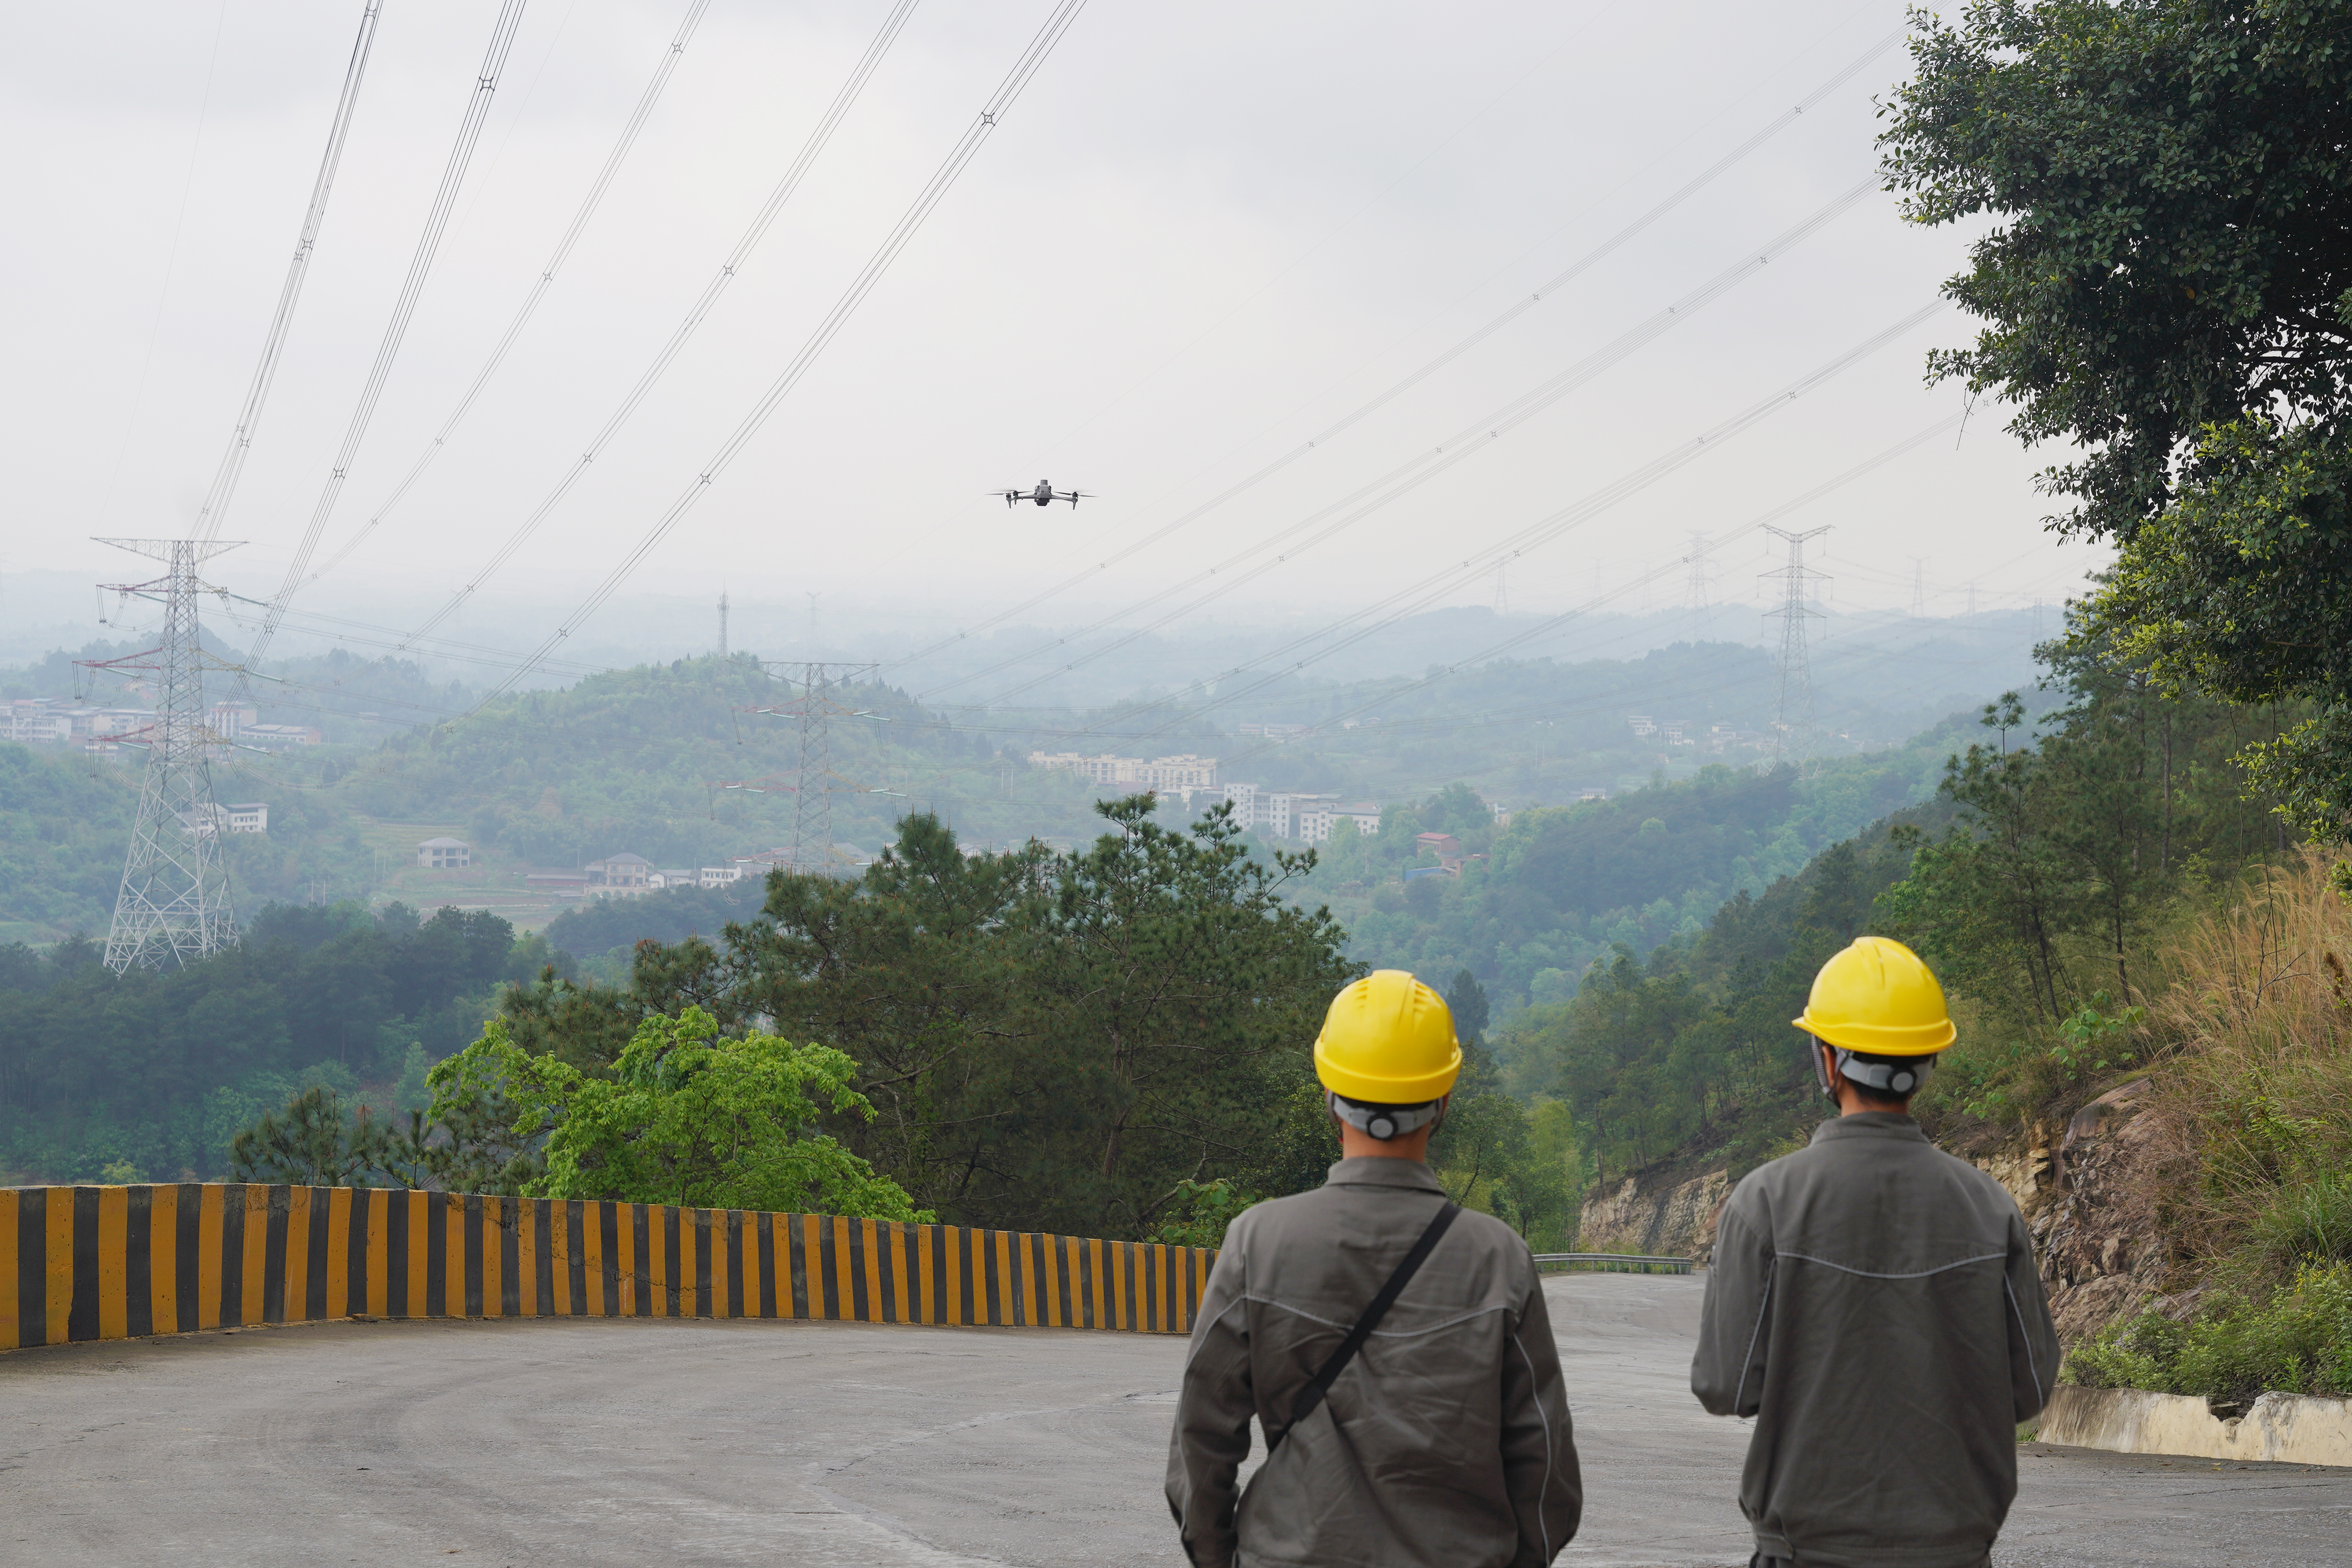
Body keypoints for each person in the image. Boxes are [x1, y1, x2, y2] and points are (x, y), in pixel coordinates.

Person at [1166, 969, 1581, 1568]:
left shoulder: (1257, 1241)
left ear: (1329, 1094)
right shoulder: (1499, 1258)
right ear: (1442, 1102)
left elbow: (1201, 1436)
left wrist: (1219, 1556)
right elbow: (1545, 1462)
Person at [1691, 936, 2062, 1568]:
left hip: (1806, 1550)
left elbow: (1725, 1386)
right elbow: (2028, 1388)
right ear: (1928, 1060)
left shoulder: (1765, 1203)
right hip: (1953, 1553)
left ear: (1828, 1061)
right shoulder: (1990, 1208)